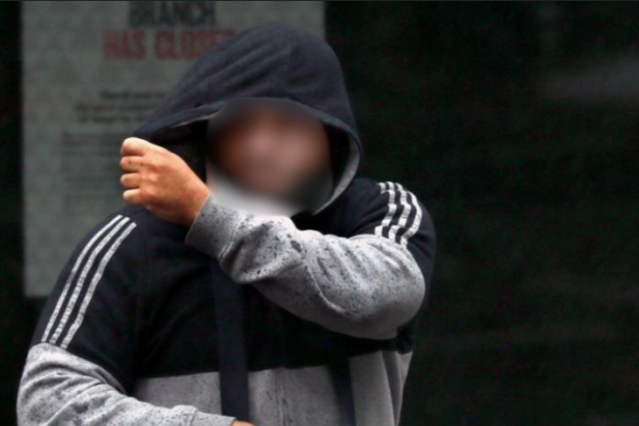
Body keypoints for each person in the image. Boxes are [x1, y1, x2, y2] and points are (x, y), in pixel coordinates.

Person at [17, 22, 436, 426]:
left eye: (289, 123)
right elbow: (47, 403)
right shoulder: (134, 241)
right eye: (240, 124)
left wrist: (207, 215)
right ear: (205, 134)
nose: (261, 147)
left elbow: (386, 297)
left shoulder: (378, 210)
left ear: (331, 136)